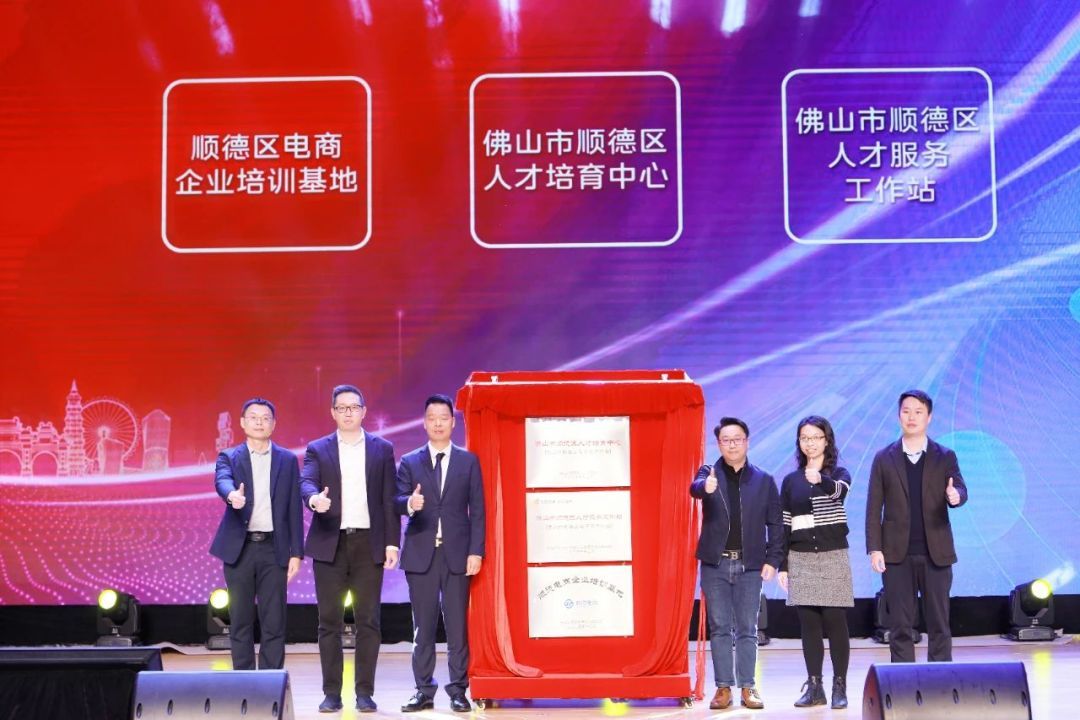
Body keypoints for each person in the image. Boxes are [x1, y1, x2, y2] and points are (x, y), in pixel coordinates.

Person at [300, 385, 400, 714]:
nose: (348, 413)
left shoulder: (382, 449)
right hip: (330, 543)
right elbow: (306, 482)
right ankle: (331, 693)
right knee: (328, 621)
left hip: (368, 544)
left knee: (368, 621)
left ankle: (364, 693)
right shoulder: (318, 448)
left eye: (354, 407)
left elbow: (389, 499)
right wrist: (314, 499)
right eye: (341, 408)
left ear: (364, 411)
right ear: (332, 412)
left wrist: (392, 542)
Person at [394, 394, 486, 713]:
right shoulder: (410, 461)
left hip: (457, 555)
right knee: (423, 628)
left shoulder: (468, 461)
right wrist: (410, 503)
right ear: (424, 422)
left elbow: (478, 510)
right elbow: (396, 501)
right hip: (421, 555)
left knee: (457, 627)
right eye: (431, 418)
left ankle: (458, 690)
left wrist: (476, 551)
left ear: (452, 422)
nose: (437, 423)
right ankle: (423, 690)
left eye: (443, 418)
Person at [865, 390, 969, 663]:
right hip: (896, 555)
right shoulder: (884, 458)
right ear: (899, 415)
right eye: (906, 411)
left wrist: (955, 496)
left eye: (918, 411)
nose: (911, 417)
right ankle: (902, 682)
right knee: (900, 626)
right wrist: (874, 549)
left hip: (936, 553)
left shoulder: (944, 456)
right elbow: (873, 508)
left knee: (939, 624)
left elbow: (960, 488)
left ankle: (940, 681)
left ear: (929, 417)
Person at [690, 417, 782, 711]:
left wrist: (773, 559)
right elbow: (694, 487)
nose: (732, 445)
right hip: (715, 564)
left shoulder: (763, 480)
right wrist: (705, 486)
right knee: (719, 628)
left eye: (737, 439)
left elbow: (775, 523)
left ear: (747, 442)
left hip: (750, 564)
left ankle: (748, 686)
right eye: (726, 440)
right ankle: (723, 688)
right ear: (719, 444)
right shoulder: (709, 473)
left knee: (747, 629)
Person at [209, 397, 303, 671]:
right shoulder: (229, 456)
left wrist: (296, 553)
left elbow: (294, 507)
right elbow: (222, 480)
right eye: (253, 417)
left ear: (273, 424)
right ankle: (244, 681)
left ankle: (271, 682)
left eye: (265, 418)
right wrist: (231, 495)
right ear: (242, 422)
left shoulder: (286, 459)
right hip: (240, 549)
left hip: (274, 549)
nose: (259, 422)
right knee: (240, 620)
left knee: (274, 621)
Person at [777, 416, 853, 709]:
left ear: (826, 440)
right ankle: (815, 687)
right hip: (801, 556)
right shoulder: (790, 481)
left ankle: (839, 686)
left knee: (835, 622)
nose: (810, 443)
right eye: (804, 438)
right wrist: (784, 564)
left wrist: (821, 479)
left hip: (833, 555)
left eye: (816, 437)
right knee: (809, 625)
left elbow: (840, 493)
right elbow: (785, 523)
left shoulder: (839, 474)